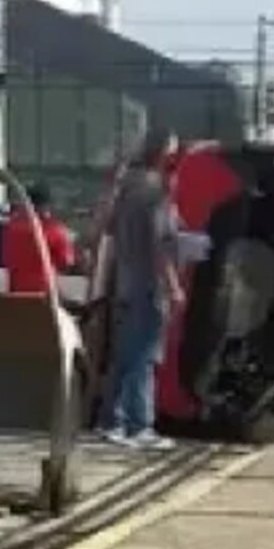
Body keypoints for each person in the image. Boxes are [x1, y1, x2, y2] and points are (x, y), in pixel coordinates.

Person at [98, 127, 186, 450]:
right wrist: (174, 286)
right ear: (164, 151)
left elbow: (106, 229)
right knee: (144, 356)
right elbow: (160, 244)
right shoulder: (156, 191)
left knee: (125, 353)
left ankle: (114, 421)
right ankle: (137, 424)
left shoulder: (127, 188)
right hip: (149, 284)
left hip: (125, 281)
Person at [2, 182, 76, 294]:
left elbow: (7, 258)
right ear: (46, 205)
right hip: (42, 294)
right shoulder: (54, 230)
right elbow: (66, 263)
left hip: (15, 292)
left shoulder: (11, 227)